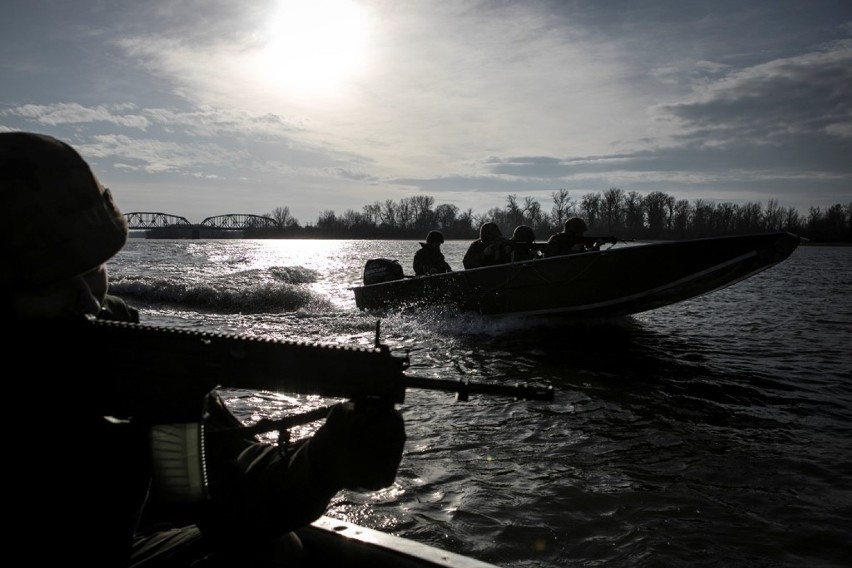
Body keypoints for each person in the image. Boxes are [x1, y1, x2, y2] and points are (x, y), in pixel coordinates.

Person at [1, 131, 407, 566]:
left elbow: (228, 491)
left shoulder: (118, 340)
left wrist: (321, 466)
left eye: (95, 269)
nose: (88, 300)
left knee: (270, 550)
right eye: (52, 284)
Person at [543, 217, 610, 257]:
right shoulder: (556, 240)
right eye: (579, 233)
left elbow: (585, 257)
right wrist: (572, 251)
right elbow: (548, 258)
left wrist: (595, 247)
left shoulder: (577, 241)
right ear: (572, 232)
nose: (581, 235)